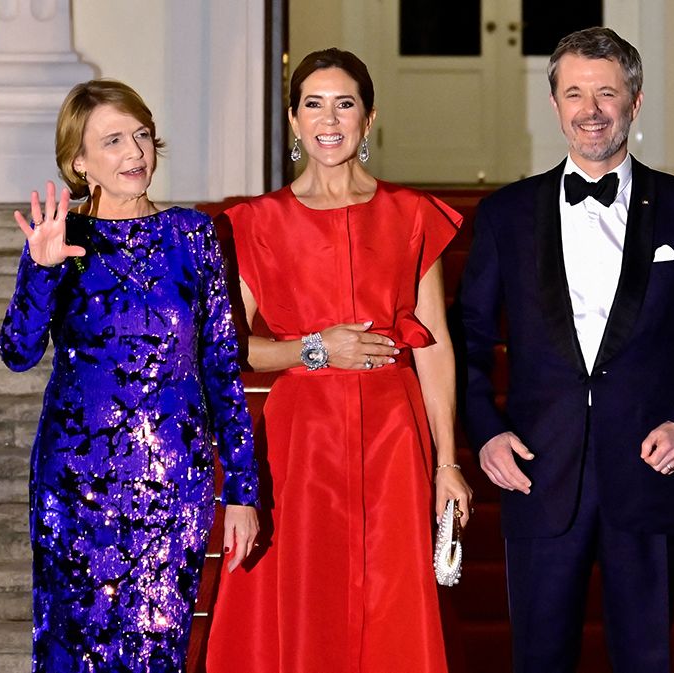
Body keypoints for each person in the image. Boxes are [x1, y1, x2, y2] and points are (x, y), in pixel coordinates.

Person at [204, 48, 473, 673]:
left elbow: (434, 344)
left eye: (344, 104)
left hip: (394, 435)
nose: (329, 120)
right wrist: (316, 348)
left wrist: (448, 463)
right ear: (294, 120)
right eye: (314, 104)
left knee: (392, 602)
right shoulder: (255, 222)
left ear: (368, 118)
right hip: (301, 440)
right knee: (309, 596)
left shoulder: (411, 214)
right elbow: (229, 348)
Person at [460, 27, 674, 672]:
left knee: (647, 658)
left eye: (607, 92)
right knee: (539, 658)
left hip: (650, 467)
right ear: (554, 103)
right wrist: (486, 434)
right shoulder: (505, 214)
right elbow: (469, 339)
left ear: (635, 100)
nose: (591, 110)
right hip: (536, 469)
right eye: (574, 93)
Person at [0, 79, 260, 672]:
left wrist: (243, 491)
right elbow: (17, 353)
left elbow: (221, 367)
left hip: (174, 481)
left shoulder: (192, 234)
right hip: (76, 483)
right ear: (79, 162)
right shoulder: (61, 239)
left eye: (141, 135)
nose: (135, 153)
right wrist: (39, 271)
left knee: (155, 651)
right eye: (113, 141)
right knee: (74, 651)